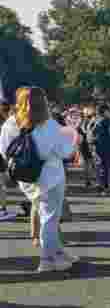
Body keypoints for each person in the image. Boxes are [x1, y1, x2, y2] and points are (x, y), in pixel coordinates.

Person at [0, 86, 77, 272]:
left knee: (46, 216)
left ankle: (57, 252)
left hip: (26, 178)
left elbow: (4, 151)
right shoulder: (48, 124)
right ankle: (47, 259)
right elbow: (64, 151)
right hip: (50, 176)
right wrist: (73, 141)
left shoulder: (10, 123)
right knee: (50, 219)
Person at [90, 104, 110, 196]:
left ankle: (103, 187)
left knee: (102, 168)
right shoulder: (106, 120)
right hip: (106, 146)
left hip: (99, 146)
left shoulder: (96, 120)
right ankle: (105, 188)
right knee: (106, 168)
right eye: (109, 110)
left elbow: (92, 132)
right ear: (105, 111)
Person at [0, 94, 16, 221]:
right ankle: (2, 210)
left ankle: (2, 209)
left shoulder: (7, 124)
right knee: (1, 185)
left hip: (5, 157)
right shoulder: (8, 123)